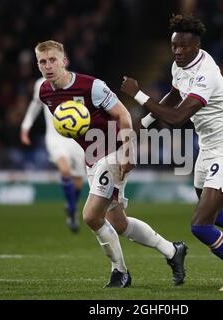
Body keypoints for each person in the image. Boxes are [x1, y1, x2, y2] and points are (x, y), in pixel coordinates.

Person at [121, 14, 223, 291]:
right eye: (174, 46)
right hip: (207, 147)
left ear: (197, 45)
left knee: (200, 225)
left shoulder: (206, 74)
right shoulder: (179, 66)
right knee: (215, 215)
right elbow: (173, 96)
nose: (177, 52)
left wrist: (138, 95)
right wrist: (143, 124)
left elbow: (176, 118)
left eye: (183, 47)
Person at [34, 40, 187, 288]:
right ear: (38, 65)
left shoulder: (92, 86)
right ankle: (173, 251)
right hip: (92, 157)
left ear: (64, 61)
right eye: (43, 61)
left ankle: (120, 273)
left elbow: (123, 114)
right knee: (118, 222)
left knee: (91, 216)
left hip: (114, 150)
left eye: (53, 60)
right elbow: (71, 126)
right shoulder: (45, 92)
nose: (48, 65)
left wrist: (127, 151)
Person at [21, 77, 86, 233]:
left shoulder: (77, 83)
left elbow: (84, 109)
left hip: (75, 138)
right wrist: (25, 126)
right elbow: (35, 105)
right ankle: (71, 208)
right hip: (55, 137)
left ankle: (72, 209)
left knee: (78, 181)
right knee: (65, 170)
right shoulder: (40, 84)